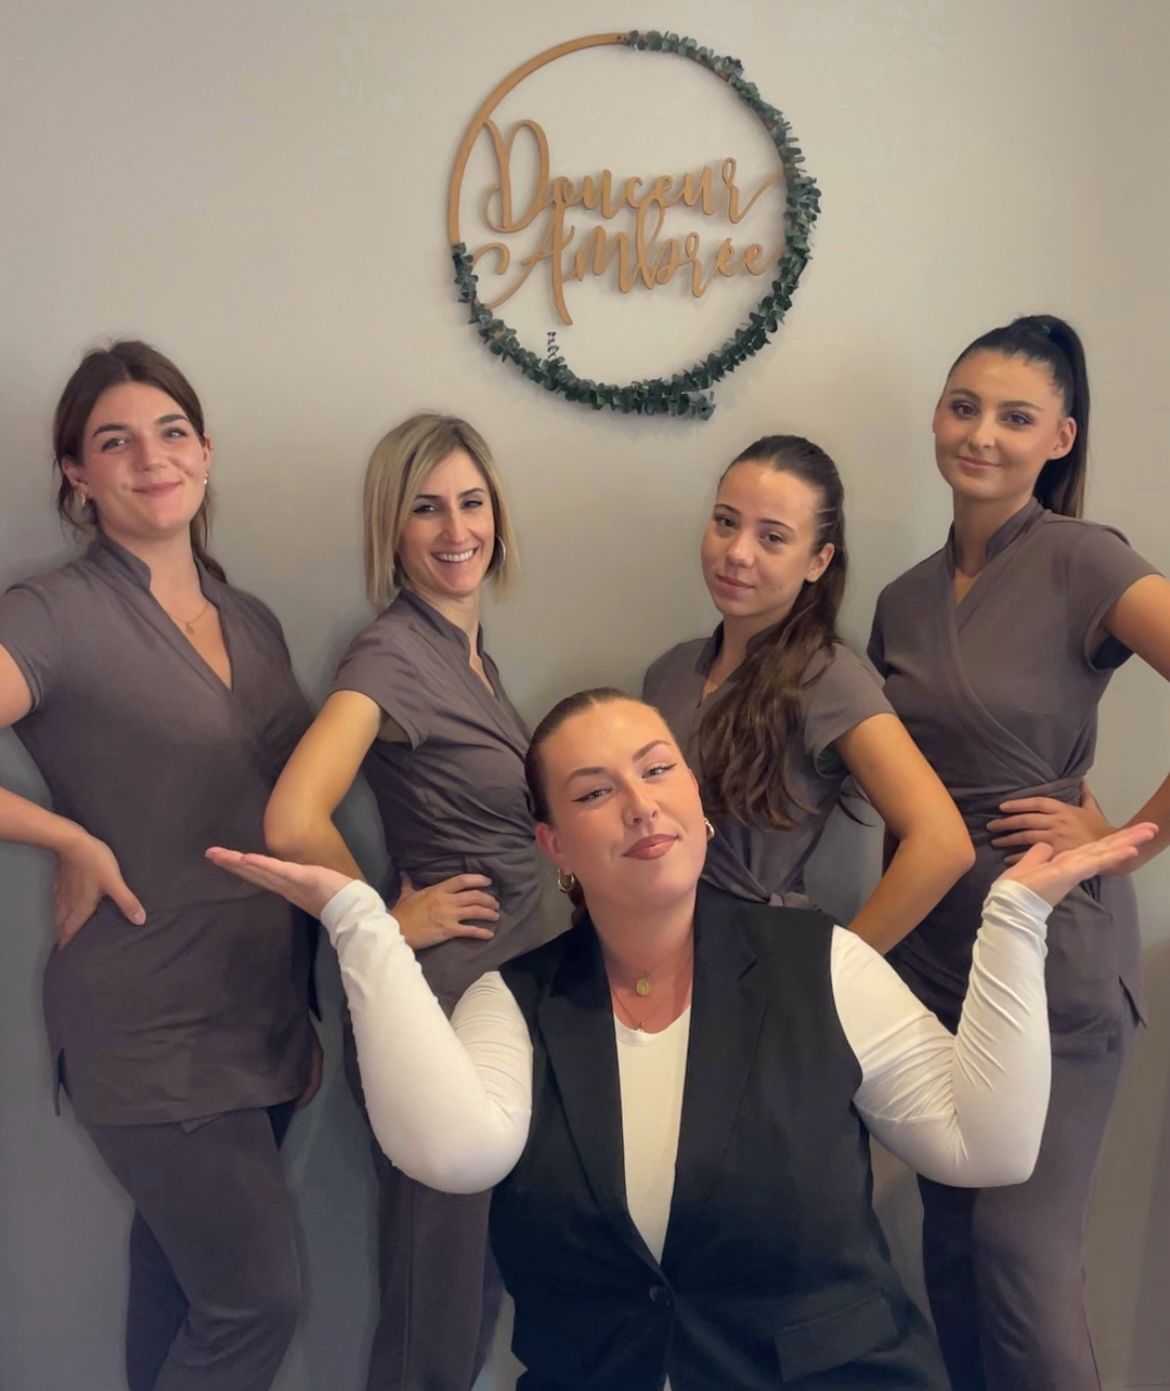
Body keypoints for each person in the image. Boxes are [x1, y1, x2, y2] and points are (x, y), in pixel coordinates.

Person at [208, 690, 1155, 1391]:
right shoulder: (514, 1001)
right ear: (554, 844)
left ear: (698, 802)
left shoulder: (822, 962)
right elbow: (452, 1154)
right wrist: (360, 924)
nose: (640, 803)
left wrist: (1016, 918)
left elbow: (987, 1147)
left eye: (658, 769)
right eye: (594, 791)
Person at [0, 341, 318, 1391]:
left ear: (207, 452)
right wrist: (67, 836)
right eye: (115, 441)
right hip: (149, 1022)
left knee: (186, 1294)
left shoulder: (253, 621)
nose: (151, 457)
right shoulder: (53, 611)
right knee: (257, 1301)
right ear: (76, 475)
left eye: (172, 431)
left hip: (261, 1012)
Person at [868, 313, 1170, 1390]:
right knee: (951, 1257)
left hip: (1051, 961)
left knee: (1017, 1258)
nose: (981, 435)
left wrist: (1127, 839)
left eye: (1015, 417)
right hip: (935, 962)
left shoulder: (1085, 559)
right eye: (964, 407)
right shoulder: (901, 599)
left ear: (1060, 438)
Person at [263, 413, 565, 1391]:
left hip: (509, 1000)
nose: (455, 529)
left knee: (477, 1293)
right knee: (435, 1306)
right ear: (391, 529)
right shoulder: (391, 653)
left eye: (471, 502)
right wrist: (386, 924)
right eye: (426, 508)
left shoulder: (471, 656)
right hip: (443, 1009)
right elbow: (293, 815)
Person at [644, 434, 972, 950]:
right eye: (726, 522)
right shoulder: (669, 672)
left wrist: (844, 971)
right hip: (651, 944)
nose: (737, 553)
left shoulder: (829, 678)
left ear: (818, 561)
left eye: (772, 538)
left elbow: (944, 845)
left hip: (755, 957)